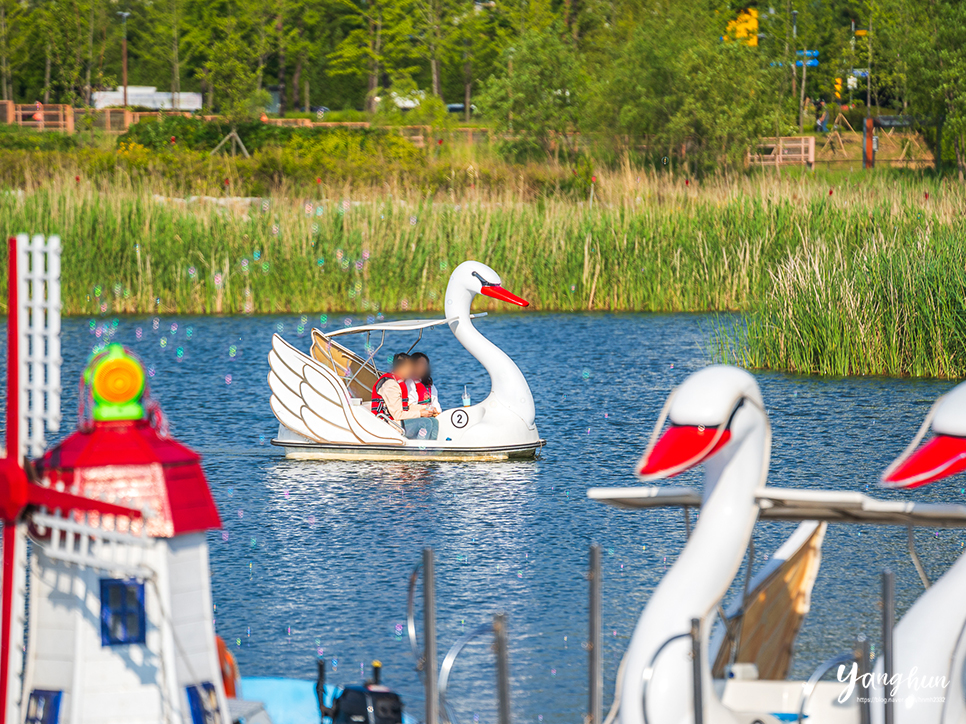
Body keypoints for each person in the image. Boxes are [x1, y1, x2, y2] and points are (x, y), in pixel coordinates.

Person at [370, 353, 438, 440]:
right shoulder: (390, 385)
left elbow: (406, 407)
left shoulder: (400, 383)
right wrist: (420, 414)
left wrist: (427, 409)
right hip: (389, 425)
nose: (411, 371)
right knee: (425, 423)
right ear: (401, 368)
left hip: (398, 422)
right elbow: (398, 415)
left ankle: (431, 449)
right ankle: (420, 451)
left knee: (433, 421)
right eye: (409, 368)